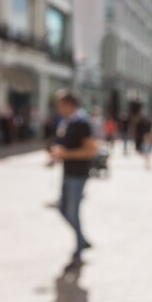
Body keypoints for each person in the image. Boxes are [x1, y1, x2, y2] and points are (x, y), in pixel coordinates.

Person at [49, 89, 98, 266]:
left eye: (60, 103)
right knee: (63, 208)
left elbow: (90, 151)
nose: (58, 107)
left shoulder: (82, 123)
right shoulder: (67, 122)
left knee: (72, 210)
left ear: (69, 105)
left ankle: (78, 249)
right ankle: (82, 239)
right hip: (68, 172)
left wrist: (65, 154)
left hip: (78, 174)